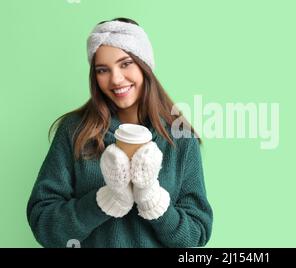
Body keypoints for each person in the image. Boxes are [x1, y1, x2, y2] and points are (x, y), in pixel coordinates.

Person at [26, 17, 213, 248]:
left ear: (144, 65)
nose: (115, 79)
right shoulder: (74, 131)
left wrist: (152, 199)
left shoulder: (180, 138)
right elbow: (44, 225)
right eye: (103, 70)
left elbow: (195, 237)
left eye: (125, 64)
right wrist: (104, 200)